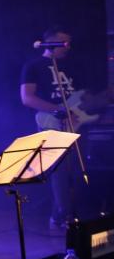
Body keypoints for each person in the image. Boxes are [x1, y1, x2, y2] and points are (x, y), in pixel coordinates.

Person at [20, 26, 88, 230]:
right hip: (50, 121)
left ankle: (69, 214)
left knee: (75, 170)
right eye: (63, 43)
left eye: (69, 43)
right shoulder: (34, 66)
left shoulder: (70, 66)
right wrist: (58, 110)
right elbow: (27, 98)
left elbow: (79, 96)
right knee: (59, 172)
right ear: (50, 43)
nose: (67, 47)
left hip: (73, 123)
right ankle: (61, 215)